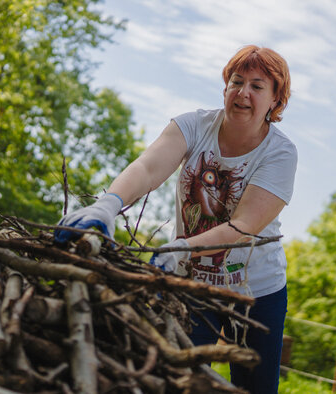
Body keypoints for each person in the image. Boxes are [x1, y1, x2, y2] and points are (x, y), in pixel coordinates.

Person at [55, 45, 297, 393]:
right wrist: (107, 205)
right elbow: (148, 167)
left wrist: (182, 247)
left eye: (257, 86)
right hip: (192, 284)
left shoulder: (280, 152)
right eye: (236, 81)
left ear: (275, 100)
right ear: (225, 88)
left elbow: (244, 226)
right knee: (177, 380)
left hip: (256, 292)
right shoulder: (194, 125)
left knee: (253, 388)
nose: (243, 93)